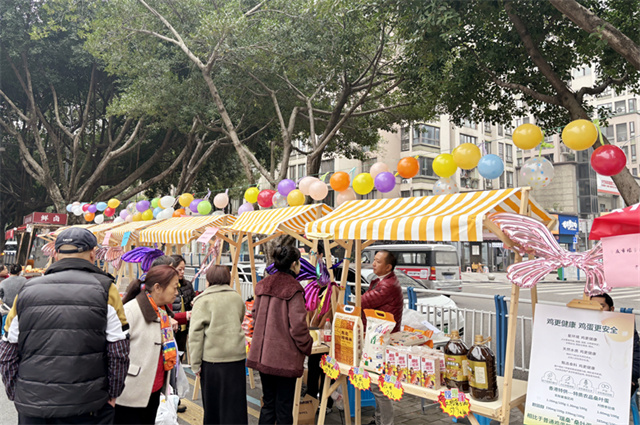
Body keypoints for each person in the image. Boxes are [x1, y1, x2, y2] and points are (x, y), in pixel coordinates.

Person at [0, 227, 130, 424]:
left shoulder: (27, 289)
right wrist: (113, 393)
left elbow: (8, 348)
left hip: (34, 407)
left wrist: (15, 392)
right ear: (93, 254)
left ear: (56, 253)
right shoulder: (106, 289)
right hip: (89, 406)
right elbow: (119, 350)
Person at [247, 245, 313, 425]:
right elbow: (298, 327)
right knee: (284, 406)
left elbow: (254, 314)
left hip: (263, 355)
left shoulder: (263, 285)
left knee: (268, 403)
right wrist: (307, 344)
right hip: (285, 358)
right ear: (294, 264)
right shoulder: (294, 289)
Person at [115, 264, 179, 424]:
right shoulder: (131, 311)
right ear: (158, 287)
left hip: (154, 389)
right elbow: (115, 352)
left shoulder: (162, 313)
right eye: (174, 287)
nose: (177, 293)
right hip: (130, 392)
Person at [189, 265, 248, 425]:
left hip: (212, 361)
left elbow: (195, 335)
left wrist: (195, 365)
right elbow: (240, 319)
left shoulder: (203, 300)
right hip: (236, 359)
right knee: (235, 405)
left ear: (208, 279)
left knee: (213, 406)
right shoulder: (236, 298)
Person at [361, 250, 403, 425]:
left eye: (378, 261)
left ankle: (385, 422)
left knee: (379, 386)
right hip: (377, 337)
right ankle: (379, 419)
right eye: (374, 260)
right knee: (377, 382)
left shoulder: (387, 285)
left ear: (388, 266)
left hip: (382, 340)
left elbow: (362, 301)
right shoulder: (382, 280)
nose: (373, 264)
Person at [590, 293, 640, 396]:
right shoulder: (581, 329)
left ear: (611, 309)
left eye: (601, 306)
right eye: (592, 305)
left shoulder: (625, 331)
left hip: (617, 379)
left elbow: (637, 361)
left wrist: (626, 377)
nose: (596, 309)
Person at [169, 254, 195, 352]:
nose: (182, 272)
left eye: (183, 269)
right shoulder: (167, 286)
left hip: (185, 326)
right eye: (179, 269)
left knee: (180, 352)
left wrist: (193, 302)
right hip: (173, 326)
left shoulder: (187, 285)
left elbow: (192, 300)